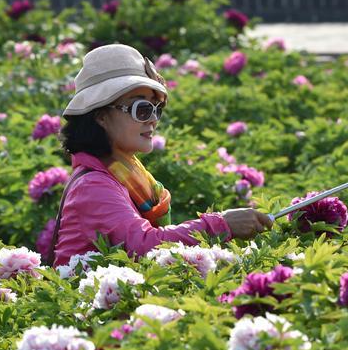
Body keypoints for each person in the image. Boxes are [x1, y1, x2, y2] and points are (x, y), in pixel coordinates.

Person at [50, 43, 272, 267]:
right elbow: (145, 246)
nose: (153, 119)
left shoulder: (120, 174)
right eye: (142, 109)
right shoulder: (93, 185)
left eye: (157, 108)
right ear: (101, 116)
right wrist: (221, 225)